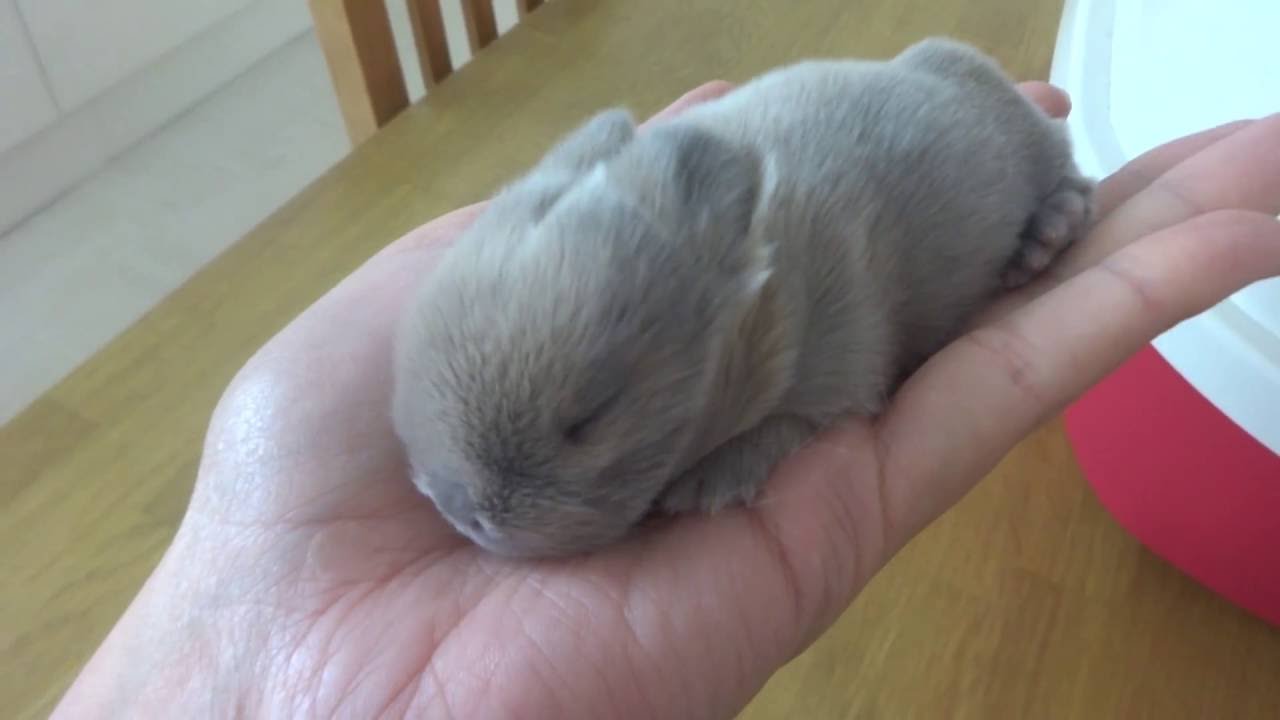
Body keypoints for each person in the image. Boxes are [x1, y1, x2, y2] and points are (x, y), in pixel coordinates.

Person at [52, 80, 1280, 719]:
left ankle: (1041, 174)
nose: (468, 504)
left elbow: (830, 388)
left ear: (736, 302)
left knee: (1011, 139)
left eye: (581, 424)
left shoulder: (797, 313)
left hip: (941, 137)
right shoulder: (548, 252)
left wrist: (736, 456)